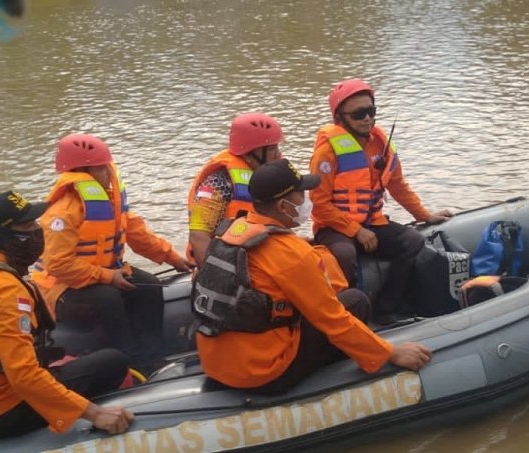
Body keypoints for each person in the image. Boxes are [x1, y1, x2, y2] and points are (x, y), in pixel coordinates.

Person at [192, 159, 433, 394]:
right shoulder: (291, 253)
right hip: (263, 373)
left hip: (216, 365)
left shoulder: (233, 231)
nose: (306, 199)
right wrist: (390, 353)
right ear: (283, 206)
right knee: (355, 302)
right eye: (301, 194)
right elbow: (332, 320)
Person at [0, 191, 134, 440]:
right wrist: (95, 413)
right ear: (5, 236)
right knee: (112, 362)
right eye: (27, 227)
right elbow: (23, 376)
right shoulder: (6, 290)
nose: (37, 231)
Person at [31, 133, 191, 374]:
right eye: (101, 168)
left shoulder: (108, 201)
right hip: (61, 286)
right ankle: (128, 363)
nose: (109, 172)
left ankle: (151, 356)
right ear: (81, 171)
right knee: (109, 299)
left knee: (150, 286)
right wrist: (107, 277)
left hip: (100, 274)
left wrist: (172, 257)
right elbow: (58, 265)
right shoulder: (63, 212)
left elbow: (137, 234)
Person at [310, 78, 454, 319]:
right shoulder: (326, 153)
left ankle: (387, 307)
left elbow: (398, 186)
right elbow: (320, 205)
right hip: (334, 227)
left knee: (412, 241)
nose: (367, 118)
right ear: (340, 118)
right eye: (359, 114)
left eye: (371, 111)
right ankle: (349, 315)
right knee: (343, 255)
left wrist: (424, 215)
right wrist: (356, 231)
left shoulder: (381, 146)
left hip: (372, 222)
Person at [186, 112, 285, 266]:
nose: (278, 154)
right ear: (250, 153)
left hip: (258, 254)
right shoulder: (218, 183)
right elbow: (198, 235)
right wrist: (213, 274)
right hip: (228, 261)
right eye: (272, 148)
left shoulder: (264, 172)